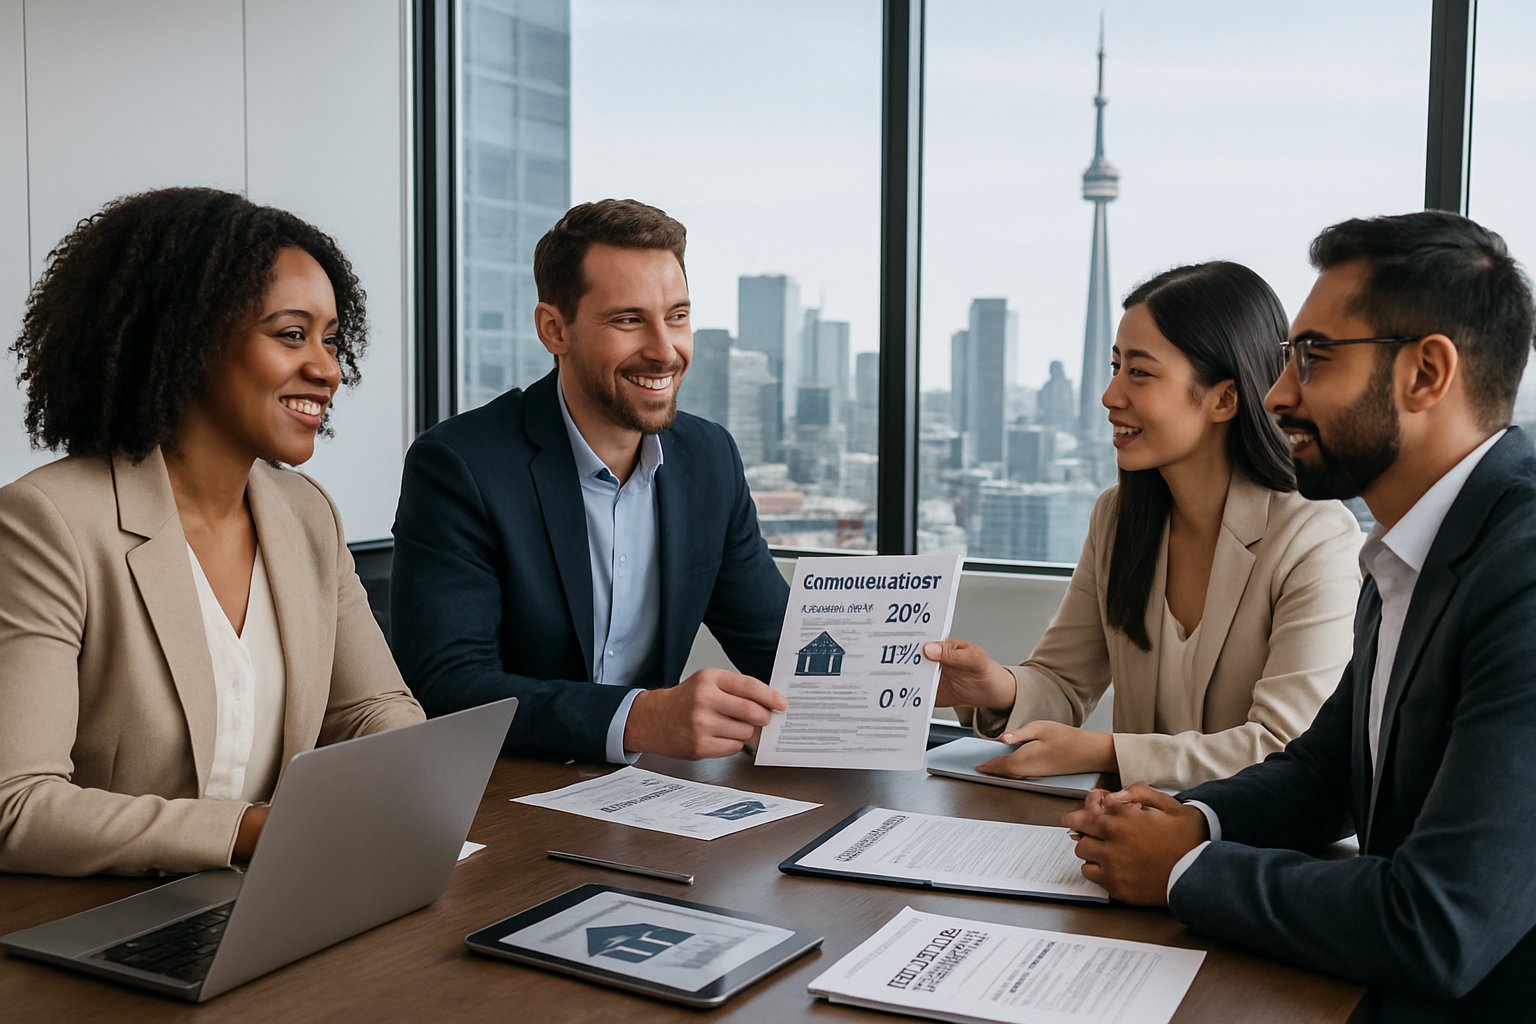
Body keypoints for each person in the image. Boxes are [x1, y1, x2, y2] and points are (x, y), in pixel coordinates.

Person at [1066, 211, 1536, 1018]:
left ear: (1426, 374)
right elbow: (1327, 774)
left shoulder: (1521, 570)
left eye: (1313, 358)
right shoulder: (1414, 547)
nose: (1278, 393)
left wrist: (1183, 872)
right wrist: (1190, 821)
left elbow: (1440, 922)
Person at [0, 187, 424, 877]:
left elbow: (373, 707)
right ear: (188, 337)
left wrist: (399, 775)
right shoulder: (49, 524)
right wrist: (252, 830)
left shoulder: (306, 515)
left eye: (330, 339)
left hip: (258, 905)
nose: (327, 369)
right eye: (291, 334)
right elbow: (16, 804)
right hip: (92, 923)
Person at [926, 262, 1361, 790]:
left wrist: (1107, 751)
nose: (1110, 396)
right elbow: (1064, 682)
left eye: (1139, 372)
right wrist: (992, 686)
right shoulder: (1118, 516)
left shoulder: (1314, 536)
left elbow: (1284, 746)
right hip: (1123, 839)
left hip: (1248, 852)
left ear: (1224, 398)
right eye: (1114, 367)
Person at [391, 199, 788, 763]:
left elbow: (780, 649)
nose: (664, 350)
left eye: (677, 316)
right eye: (628, 320)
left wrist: (940, 692)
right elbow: (448, 686)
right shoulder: (461, 465)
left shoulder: (709, 458)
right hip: (500, 796)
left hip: (644, 798)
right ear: (555, 329)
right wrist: (638, 719)